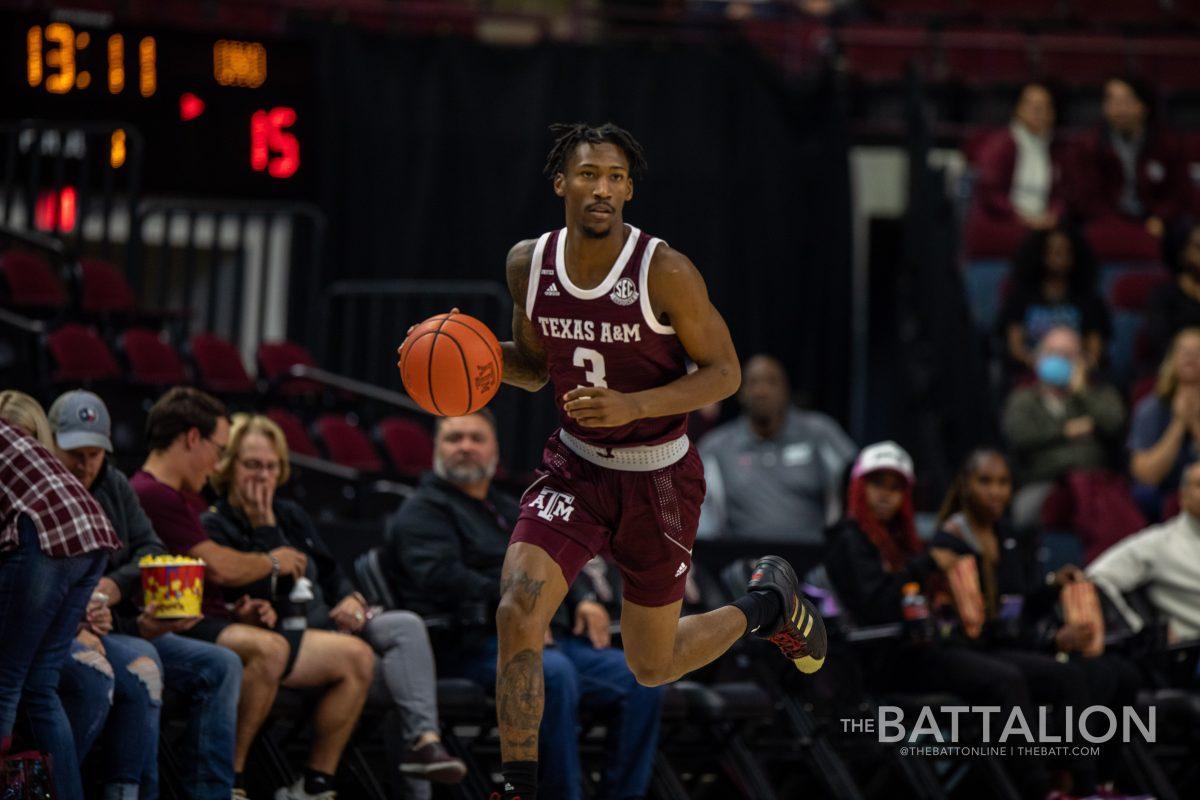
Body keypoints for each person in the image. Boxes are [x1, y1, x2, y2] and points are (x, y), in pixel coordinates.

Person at [420, 122, 826, 800]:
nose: (601, 189)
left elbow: (724, 373)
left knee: (650, 664)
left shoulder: (664, 271)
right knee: (517, 609)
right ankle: (517, 784)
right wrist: (458, 354)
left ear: (630, 189)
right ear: (561, 183)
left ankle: (767, 604)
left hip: (658, 475)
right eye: (587, 175)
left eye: (614, 177)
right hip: (575, 468)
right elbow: (529, 365)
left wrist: (635, 407)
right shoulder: (529, 263)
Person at [385, 411, 664, 800]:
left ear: (494, 450)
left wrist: (582, 598)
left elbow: (560, 554)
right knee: (553, 674)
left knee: (640, 677)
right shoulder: (422, 512)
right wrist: (520, 605)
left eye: (476, 438)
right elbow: (440, 578)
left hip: (545, 640)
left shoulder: (510, 504)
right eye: (454, 438)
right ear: (436, 449)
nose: (465, 446)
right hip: (473, 645)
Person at [201, 413, 466, 794]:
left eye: (271, 466)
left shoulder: (291, 513)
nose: (262, 477)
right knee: (402, 683)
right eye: (252, 465)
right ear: (228, 467)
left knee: (406, 626)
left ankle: (425, 742)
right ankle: (322, 783)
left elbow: (330, 571)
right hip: (285, 637)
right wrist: (264, 528)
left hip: (327, 625)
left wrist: (349, 599)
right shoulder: (217, 524)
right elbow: (268, 587)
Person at [131, 387, 373, 800]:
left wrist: (240, 608)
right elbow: (224, 568)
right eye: (226, 453)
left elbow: (325, 572)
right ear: (194, 439)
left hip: (227, 622)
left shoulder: (192, 498)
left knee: (387, 638)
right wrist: (273, 556)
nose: (217, 461)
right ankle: (228, 783)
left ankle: (314, 784)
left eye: (271, 466)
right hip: (179, 629)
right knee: (265, 650)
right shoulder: (181, 502)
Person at [823, 442, 1056, 800]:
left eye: (895, 487)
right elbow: (877, 606)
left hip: (924, 648)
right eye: (877, 484)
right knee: (1005, 680)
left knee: (1032, 675)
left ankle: (1028, 782)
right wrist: (927, 565)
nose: (886, 495)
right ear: (857, 487)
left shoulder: (902, 539)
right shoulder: (848, 539)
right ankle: (1036, 789)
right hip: (887, 660)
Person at [48, 388, 244, 800]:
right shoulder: (48, 492)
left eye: (94, 454)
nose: (84, 465)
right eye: (75, 454)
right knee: (131, 666)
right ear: (51, 446)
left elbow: (153, 549)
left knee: (209, 663)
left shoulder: (115, 486)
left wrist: (114, 587)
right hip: (64, 629)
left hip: (114, 623)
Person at [933, 449, 1147, 797]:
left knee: (1120, 673)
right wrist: (1051, 641)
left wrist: (1051, 588)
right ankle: (1072, 784)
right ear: (965, 486)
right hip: (980, 651)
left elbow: (1020, 603)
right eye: (985, 481)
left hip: (1019, 642)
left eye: (1003, 483)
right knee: (1067, 676)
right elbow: (981, 624)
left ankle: (1101, 780)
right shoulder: (950, 542)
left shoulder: (1008, 536)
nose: (995, 491)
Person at [0, 393, 121, 799]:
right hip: (93, 533)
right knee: (39, 685)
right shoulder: (32, 455)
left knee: (5, 681)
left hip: (48, 534)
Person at [697, 353, 856, 543]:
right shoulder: (716, 446)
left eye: (771, 382)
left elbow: (859, 478)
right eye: (753, 383)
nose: (761, 391)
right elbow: (700, 512)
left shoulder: (819, 432)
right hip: (740, 561)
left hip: (813, 557)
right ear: (740, 393)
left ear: (786, 389)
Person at [1001, 326, 1125, 530]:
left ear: (1082, 360)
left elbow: (1114, 424)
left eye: (1068, 355)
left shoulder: (1100, 394)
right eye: (1053, 353)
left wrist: (1082, 392)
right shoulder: (1023, 398)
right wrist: (1066, 431)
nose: (1060, 360)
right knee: (1024, 511)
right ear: (1039, 358)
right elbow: (1019, 436)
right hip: (1043, 483)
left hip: (1096, 484)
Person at [1073, 76, 1188, 261]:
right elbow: (1087, 197)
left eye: (1126, 101)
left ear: (1143, 106)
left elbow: (1180, 193)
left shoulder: (1168, 144)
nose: (1118, 109)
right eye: (1111, 100)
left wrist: (1160, 218)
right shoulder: (1089, 145)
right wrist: (1118, 225)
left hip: (1154, 220)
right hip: (1108, 220)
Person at [1088, 460, 1200, 643]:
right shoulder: (1159, 544)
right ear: (1183, 496)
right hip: (1190, 652)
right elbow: (1097, 578)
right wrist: (1141, 633)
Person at [965, 83, 1069, 258]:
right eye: (1031, 105)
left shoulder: (1057, 149)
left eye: (1043, 107)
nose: (1037, 111)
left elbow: (1063, 193)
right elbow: (990, 192)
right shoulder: (1001, 145)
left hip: (1044, 221)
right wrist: (1022, 217)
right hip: (1008, 218)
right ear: (1018, 110)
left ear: (1052, 113)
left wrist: (1053, 215)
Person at [998, 226, 1110, 375]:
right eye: (1054, 251)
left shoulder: (1089, 300)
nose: (1060, 257)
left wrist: (1074, 372)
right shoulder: (1021, 297)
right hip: (1032, 375)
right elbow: (1015, 348)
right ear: (1041, 255)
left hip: (1078, 377)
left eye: (1066, 251)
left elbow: (1094, 352)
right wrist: (1043, 369)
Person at [1128, 328, 1200, 520]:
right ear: (1172, 359)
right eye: (1184, 351)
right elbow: (1146, 475)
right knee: (1143, 495)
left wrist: (1194, 424)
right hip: (1164, 494)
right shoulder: (1151, 409)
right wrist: (1178, 424)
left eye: (1197, 352)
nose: (1190, 357)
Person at [1146, 222, 1200, 365]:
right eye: (1198, 247)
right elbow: (1161, 343)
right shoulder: (1163, 296)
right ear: (1182, 252)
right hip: (1176, 368)